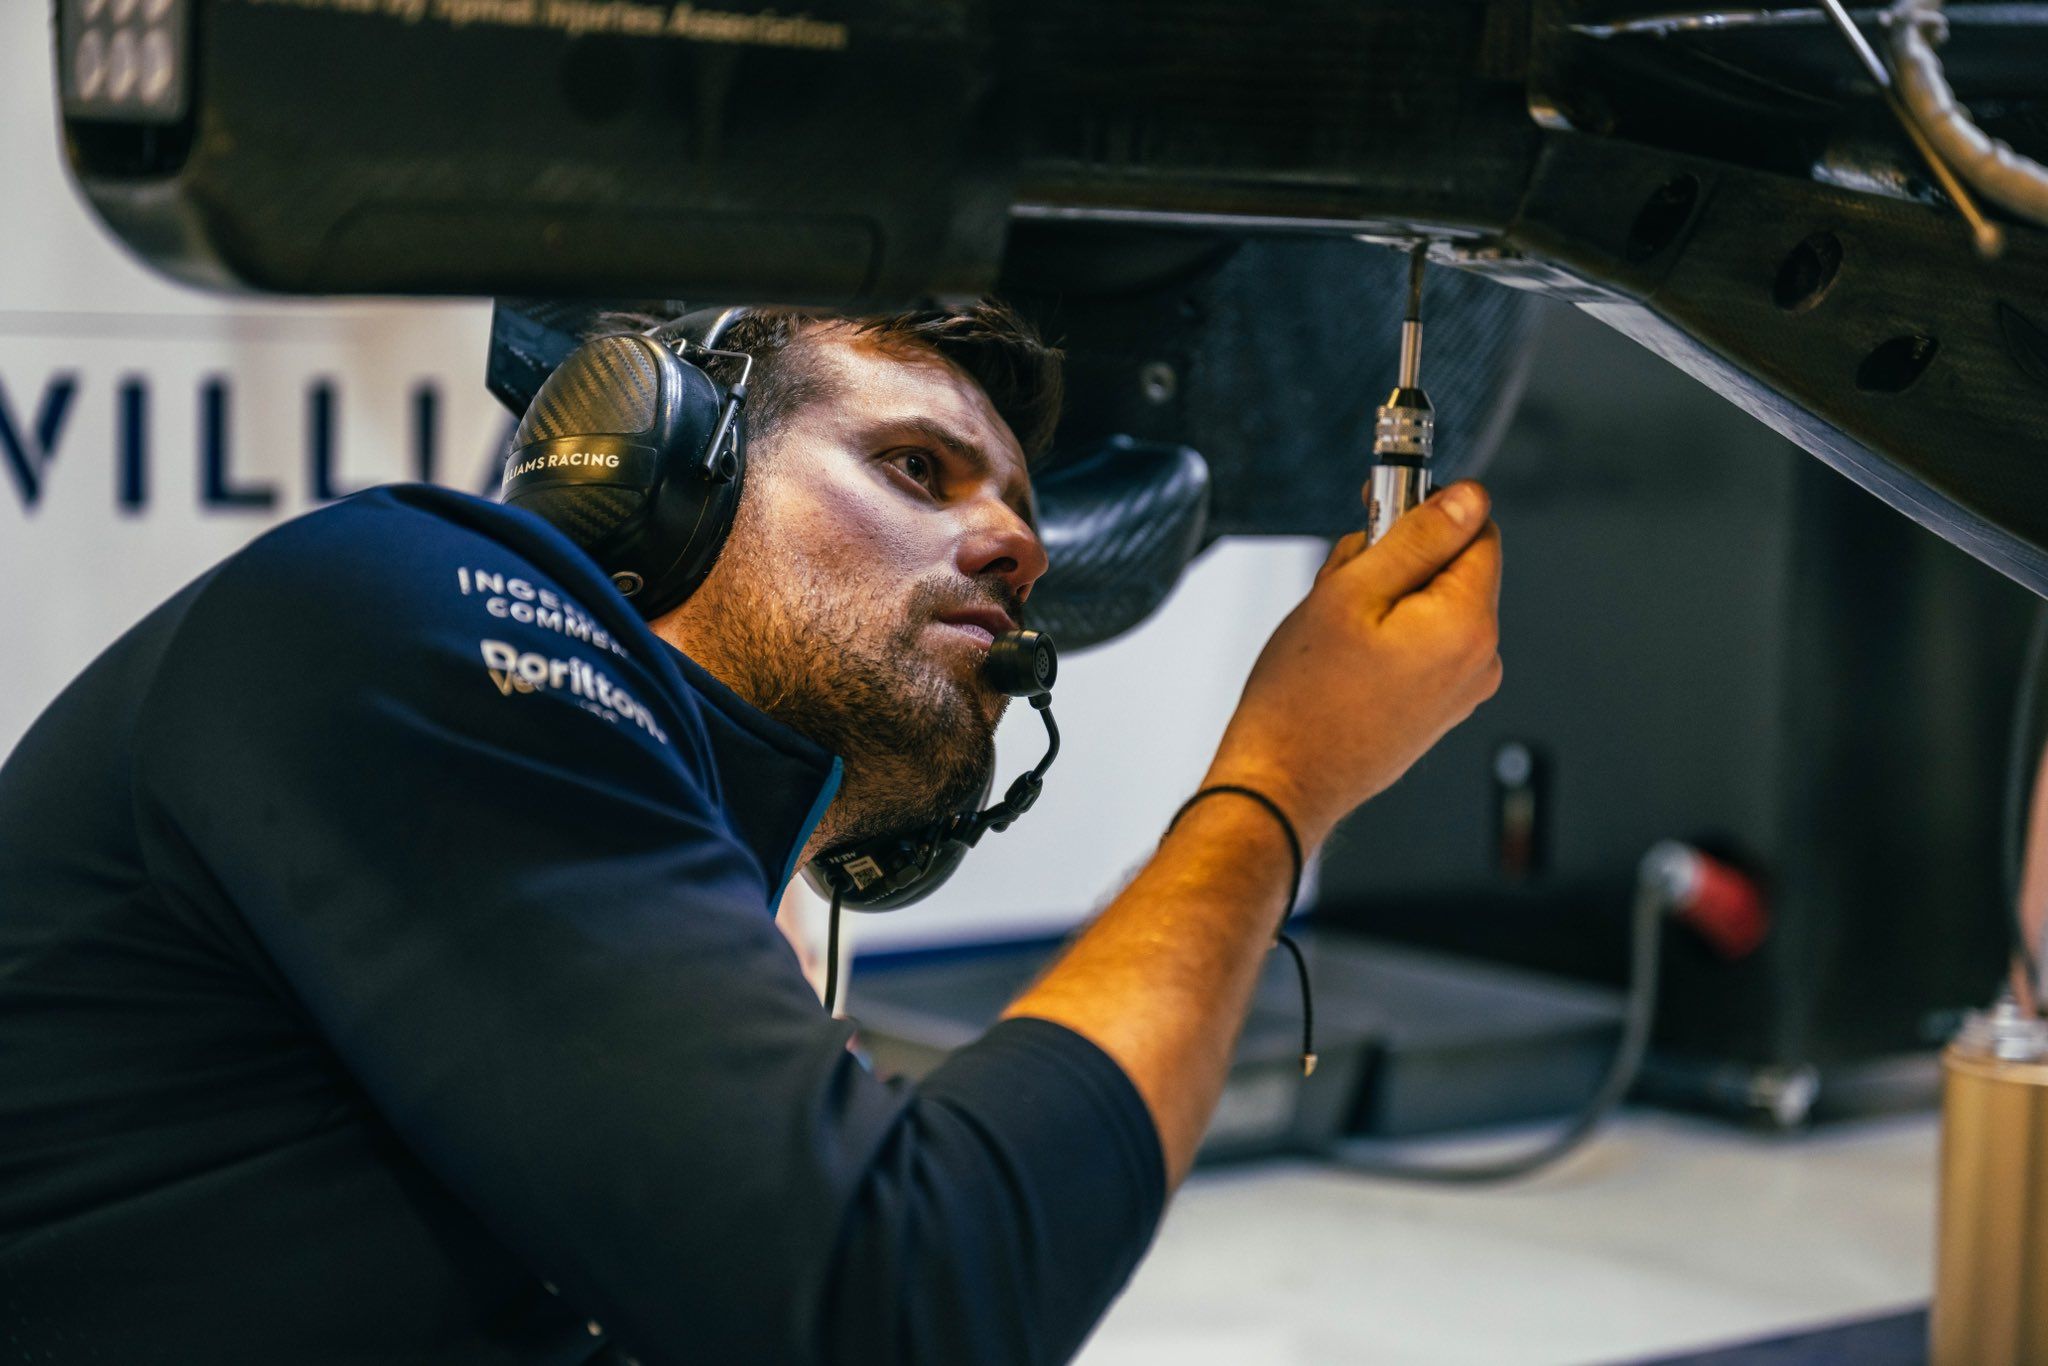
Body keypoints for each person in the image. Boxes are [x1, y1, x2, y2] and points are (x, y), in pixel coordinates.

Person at [0, 301, 1502, 1364]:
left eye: (1026, 521)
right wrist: (1273, 788)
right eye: (916, 467)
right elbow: (902, 1305)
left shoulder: (665, 868)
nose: (1016, 544)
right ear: (666, 473)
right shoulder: (410, 604)